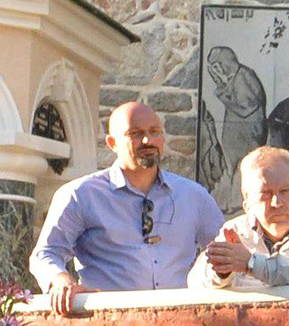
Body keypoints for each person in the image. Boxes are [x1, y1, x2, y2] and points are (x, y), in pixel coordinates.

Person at [33, 100, 227, 310]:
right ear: (112, 143)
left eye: (154, 132)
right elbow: (45, 254)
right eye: (135, 133)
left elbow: (223, 253)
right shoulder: (81, 195)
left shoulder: (193, 196)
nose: (147, 140)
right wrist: (61, 279)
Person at [190, 146, 289, 289]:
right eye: (266, 193)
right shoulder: (233, 231)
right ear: (246, 200)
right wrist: (221, 272)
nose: (277, 203)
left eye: (285, 191)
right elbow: (196, 282)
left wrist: (253, 264)